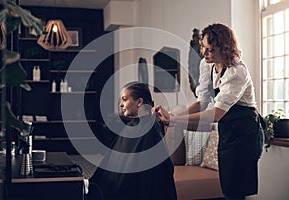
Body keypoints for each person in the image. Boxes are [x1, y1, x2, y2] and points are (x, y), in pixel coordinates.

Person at [154, 23, 264, 200]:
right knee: (227, 188)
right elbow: (202, 103)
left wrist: (173, 121)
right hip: (228, 130)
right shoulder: (207, 65)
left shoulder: (237, 72)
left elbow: (215, 115)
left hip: (246, 133)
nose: (205, 54)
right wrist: (173, 116)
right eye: (204, 47)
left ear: (225, 49)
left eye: (211, 50)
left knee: (236, 192)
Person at [88, 82, 177, 200]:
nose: (120, 104)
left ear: (139, 102)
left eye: (124, 99)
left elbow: (155, 177)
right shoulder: (133, 125)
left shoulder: (150, 130)